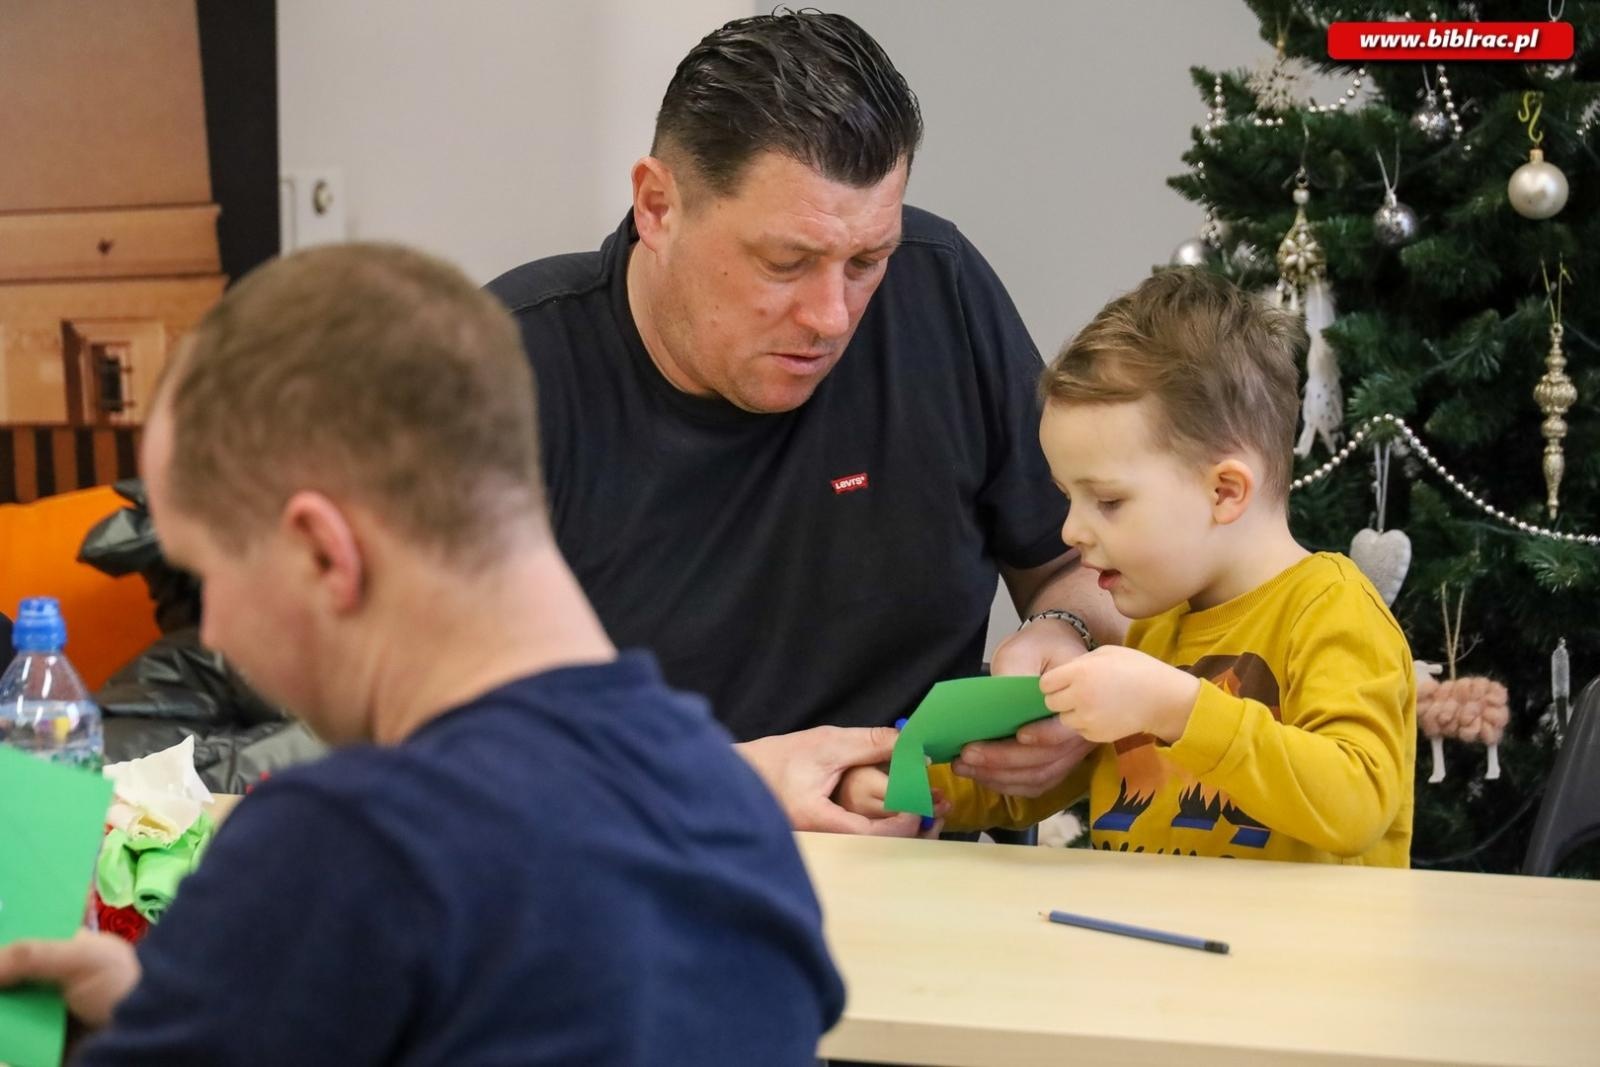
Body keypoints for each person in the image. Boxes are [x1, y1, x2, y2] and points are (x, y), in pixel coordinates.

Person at [0, 244, 844, 1062]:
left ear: (323, 552)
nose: (212, 631)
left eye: (209, 573)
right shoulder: (734, 810)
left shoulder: (338, 845)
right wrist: (173, 1012)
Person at [486, 11, 1120, 836]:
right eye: (786, 263)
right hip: (637, 878)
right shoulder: (502, 373)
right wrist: (728, 782)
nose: (832, 316)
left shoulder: (940, 289)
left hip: (938, 875)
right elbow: (432, 753)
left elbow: (1078, 567)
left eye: (866, 261)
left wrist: (1068, 641)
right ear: (657, 206)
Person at [847, 270, 1417, 864]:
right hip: (1134, 925)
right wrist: (911, 789)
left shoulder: (1332, 610)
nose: (1070, 531)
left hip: (1295, 931)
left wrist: (1177, 709)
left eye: (1108, 501)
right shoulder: (1151, 631)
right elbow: (1037, 772)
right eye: (1067, 498)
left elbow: (1357, 803)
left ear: (1224, 492)